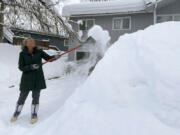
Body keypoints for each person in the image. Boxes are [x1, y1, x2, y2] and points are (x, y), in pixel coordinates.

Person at [10, 37, 61, 124]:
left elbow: (48, 58)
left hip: (38, 78)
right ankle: (16, 112)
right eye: (30, 41)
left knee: (36, 97)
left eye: (33, 41)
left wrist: (55, 57)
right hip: (27, 79)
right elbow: (21, 67)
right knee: (22, 96)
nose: (32, 42)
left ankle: (34, 114)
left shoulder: (39, 51)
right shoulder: (22, 54)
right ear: (26, 44)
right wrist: (31, 67)